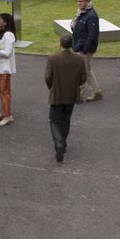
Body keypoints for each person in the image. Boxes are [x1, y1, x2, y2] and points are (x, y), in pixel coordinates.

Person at [44, 34, 87, 163]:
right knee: (66, 119)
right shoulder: (79, 59)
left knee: (54, 120)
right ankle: (63, 141)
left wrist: (51, 87)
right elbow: (83, 78)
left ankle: (59, 143)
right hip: (71, 94)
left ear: (60, 44)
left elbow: (47, 77)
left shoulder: (53, 59)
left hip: (57, 93)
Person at [71, 0, 102, 101]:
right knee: (86, 70)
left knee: (82, 71)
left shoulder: (91, 16)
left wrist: (84, 50)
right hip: (80, 46)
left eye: (81, 1)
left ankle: (79, 96)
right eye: (77, 1)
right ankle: (97, 91)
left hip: (85, 49)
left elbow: (92, 35)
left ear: (87, 1)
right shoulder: (81, 13)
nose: (78, 3)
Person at [0, 13, 17, 126]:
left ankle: (8, 115)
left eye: (0, 19)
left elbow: (7, 52)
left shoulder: (8, 35)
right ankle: (3, 112)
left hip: (5, 68)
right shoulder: (2, 33)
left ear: (5, 22)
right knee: (2, 91)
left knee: (3, 91)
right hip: (1, 67)